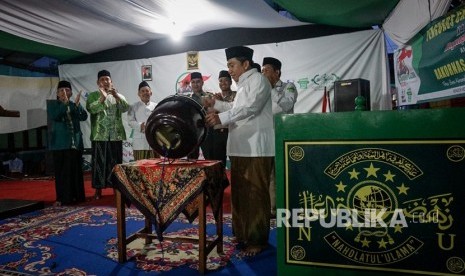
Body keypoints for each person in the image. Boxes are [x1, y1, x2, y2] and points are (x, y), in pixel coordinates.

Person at [204, 46, 274, 257]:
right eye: (228, 66)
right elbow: (235, 108)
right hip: (240, 148)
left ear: (245, 64)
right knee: (241, 195)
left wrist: (221, 118)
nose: (230, 70)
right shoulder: (243, 85)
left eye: (232, 65)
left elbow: (251, 108)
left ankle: (257, 239)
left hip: (256, 148)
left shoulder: (259, 81)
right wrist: (214, 104)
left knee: (255, 195)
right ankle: (242, 234)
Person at [262, 57, 298, 217]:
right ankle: (269, 207)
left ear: (277, 72)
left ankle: (280, 207)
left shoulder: (288, 87)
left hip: (282, 136)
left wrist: (270, 89)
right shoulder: (261, 89)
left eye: (267, 70)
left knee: (280, 173)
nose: (263, 73)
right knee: (266, 174)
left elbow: (286, 106)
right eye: (262, 70)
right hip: (264, 136)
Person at [86, 70, 129, 199]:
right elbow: (91, 109)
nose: (105, 81)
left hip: (115, 135)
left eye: (107, 79)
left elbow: (125, 108)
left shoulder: (118, 96)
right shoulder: (93, 96)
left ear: (111, 81)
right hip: (100, 135)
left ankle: (116, 189)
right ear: (98, 82)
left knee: (116, 163)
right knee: (99, 163)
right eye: (102, 79)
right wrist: (102, 98)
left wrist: (116, 96)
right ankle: (98, 190)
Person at [48, 80, 87, 206]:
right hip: (60, 144)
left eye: (67, 90)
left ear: (71, 92)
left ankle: (78, 197)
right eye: (61, 90)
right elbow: (55, 116)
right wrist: (64, 105)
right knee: (62, 172)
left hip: (75, 143)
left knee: (76, 171)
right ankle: (63, 198)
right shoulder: (54, 105)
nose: (64, 92)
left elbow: (83, 117)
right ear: (57, 93)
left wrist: (76, 106)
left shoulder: (74, 103)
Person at [202, 70, 237, 166]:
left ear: (230, 82)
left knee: (236, 162)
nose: (223, 83)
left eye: (226, 80)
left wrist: (221, 103)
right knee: (219, 163)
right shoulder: (214, 97)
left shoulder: (237, 95)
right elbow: (210, 113)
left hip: (232, 133)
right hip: (217, 134)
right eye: (220, 81)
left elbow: (235, 112)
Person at [128, 81, 159, 160]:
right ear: (138, 94)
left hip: (154, 141)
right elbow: (130, 121)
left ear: (151, 93)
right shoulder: (133, 106)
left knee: (155, 167)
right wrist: (140, 126)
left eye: (147, 91)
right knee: (140, 167)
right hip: (139, 143)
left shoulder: (157, 106)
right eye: (142, 91)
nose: (145, 93)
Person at [187, 72, 212, 160]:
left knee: (210, 160)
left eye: (198, 82)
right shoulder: (187, 99)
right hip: (193, 134)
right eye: (193, 82)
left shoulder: (210, 97)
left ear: (202, 83)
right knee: (191, 162)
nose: (195, 84)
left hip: (207, 133)